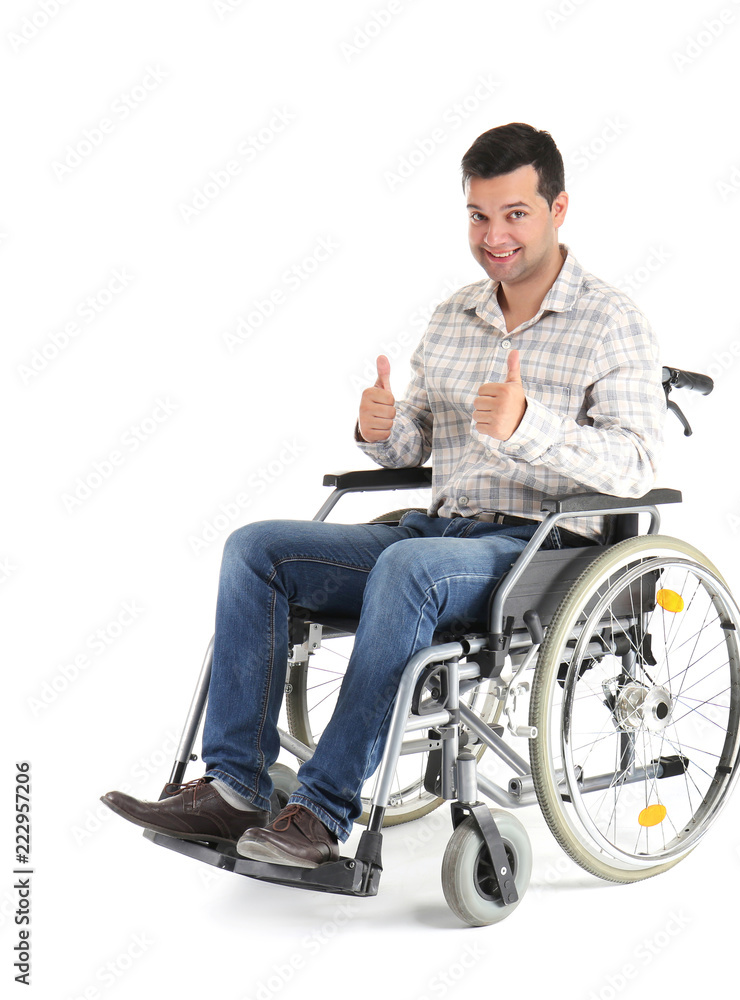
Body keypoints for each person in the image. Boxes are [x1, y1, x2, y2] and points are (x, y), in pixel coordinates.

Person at [102, 122, 666, 868]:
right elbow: (412, 449)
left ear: (558, 209)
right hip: (436, 533)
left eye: (514, 214)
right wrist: (380, 427)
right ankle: (235, 786)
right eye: (478, 215)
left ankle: (321, 809)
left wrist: (529, 426)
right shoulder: (453, 317)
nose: (493, 235)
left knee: (409, 571)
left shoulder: (610, 320)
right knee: (256, 549)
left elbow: (634, 465)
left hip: (538, 550)